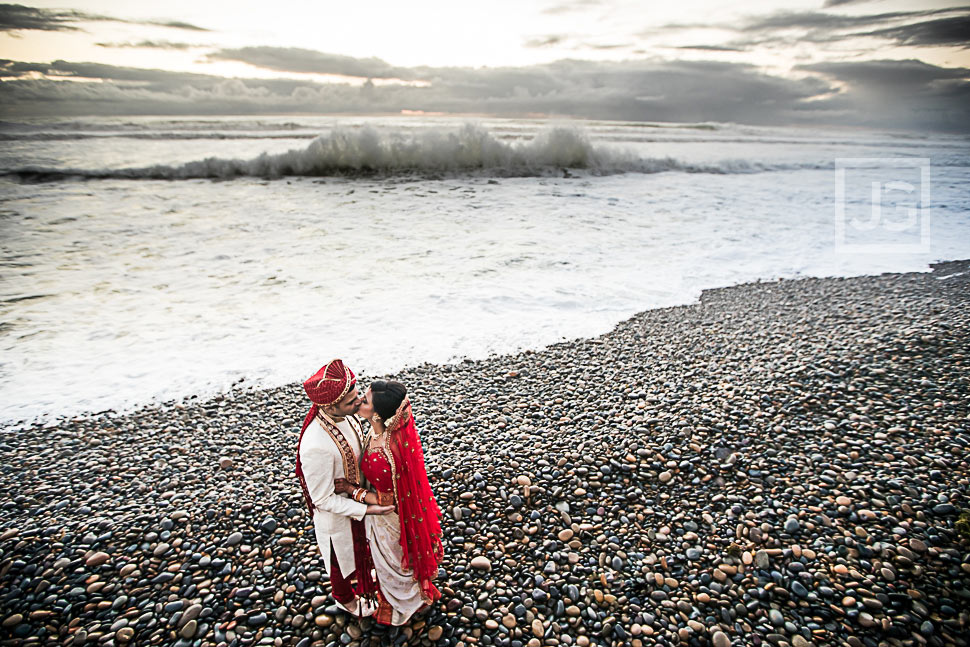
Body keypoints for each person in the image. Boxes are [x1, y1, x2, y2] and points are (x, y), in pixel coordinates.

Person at [334, 380, 444, 628]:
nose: (359, 401)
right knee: (397, 558)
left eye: (365, 400)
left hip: (387, 516)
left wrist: (353, 491)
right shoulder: (379, 431)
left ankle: (401, 608)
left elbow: (387, 499)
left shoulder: (383, 452)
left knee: (392, 561)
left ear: (377, 414)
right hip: (389, 508)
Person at [294, 360, 394, 617]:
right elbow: (322, 499)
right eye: (351, 402)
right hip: (338, 517)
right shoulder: (315, 445)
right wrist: (368, 509)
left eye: (356, 396)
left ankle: (368, 583)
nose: (358, 403)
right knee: (340, 564)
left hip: (359, 499)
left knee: (365, 552)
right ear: (329, 405)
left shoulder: (345, 417)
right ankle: (344, 600)